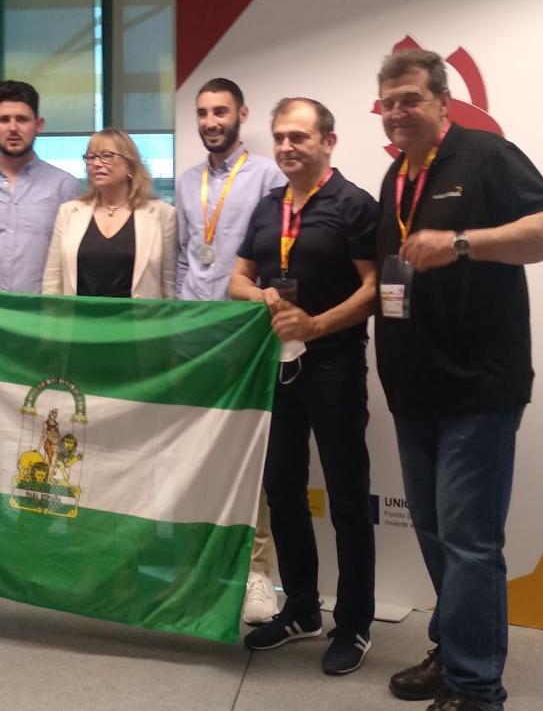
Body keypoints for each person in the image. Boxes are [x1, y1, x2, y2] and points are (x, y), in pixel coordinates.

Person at [373, 49, 543, 711]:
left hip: (479, 391)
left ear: (442, 101)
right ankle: (453, 649)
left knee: (471, 543)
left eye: (410, 99)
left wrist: (461, 243)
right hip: (414, 389)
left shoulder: (487, 156)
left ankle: (477, 687)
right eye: (389, 101)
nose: (399, 112)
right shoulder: (393, 177)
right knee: (435, 536)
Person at [229, 98, 378, 676]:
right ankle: (301, 609)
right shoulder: (268, 207)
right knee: (284, 489)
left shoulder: (354, 205)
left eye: (300, 137)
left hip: (335, 366)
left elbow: (374, 290)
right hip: (277, 369)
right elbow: (237, 279)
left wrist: (316, 325)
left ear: (328, 142)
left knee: (345, 496)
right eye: (280, 138)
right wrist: (262, 296)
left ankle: (356, 622)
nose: (288, 147)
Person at [174, 77, 286, 625]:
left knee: (252, 457)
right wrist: (177, 328)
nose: (211, 121)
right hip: (194, 339)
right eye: (202, 112)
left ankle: (258, 573)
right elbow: (181, 260)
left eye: (220, 111)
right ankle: (198, 565)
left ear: (242, 113)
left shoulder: (269, 176)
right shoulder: (186, 180)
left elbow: (275, 252)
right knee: (196, 453)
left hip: (248, 334)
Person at [0, 80, 79, 293]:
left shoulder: (64, 186)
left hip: (43, 314)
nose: (13, 128)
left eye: (22, 119)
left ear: (38, 125)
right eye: (4, 120)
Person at [42, 128, 176, 299]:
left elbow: (168, 286)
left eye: (107, 156)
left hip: (139, 322)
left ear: (130, 165)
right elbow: (52, 282)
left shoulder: (162, 214)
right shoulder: (69, 212)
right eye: (91, 157)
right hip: (78, 321)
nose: (97, 164)